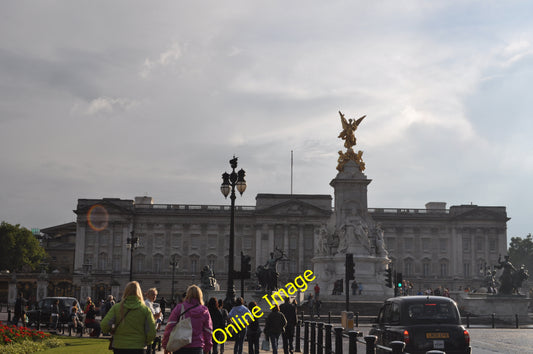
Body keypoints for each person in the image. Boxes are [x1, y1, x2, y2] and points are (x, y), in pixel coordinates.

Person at [101, 281, 157, 353]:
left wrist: (111, 330)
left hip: (119, 346)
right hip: (138, 347)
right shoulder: (145, 310)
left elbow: (104, 325)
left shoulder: (117, 307)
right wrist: (147, 342)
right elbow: (151, 332)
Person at [162, 284, 213, 354]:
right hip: (197, 347)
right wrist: (207, 347)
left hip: (180, 346)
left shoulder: (179, 308)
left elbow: (170, 327)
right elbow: (208, 331)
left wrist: (166, 345)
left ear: (187, 294)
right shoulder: (204, 310)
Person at [145, 288, 162, 354]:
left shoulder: (152, 304)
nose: (154, 296)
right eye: (153, 295)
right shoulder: (147, 303)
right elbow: (152, 316)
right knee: (149, 349)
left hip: (152, 329)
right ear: (148, 295)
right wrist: (158, 316)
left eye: (155, 295)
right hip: (148, 329)